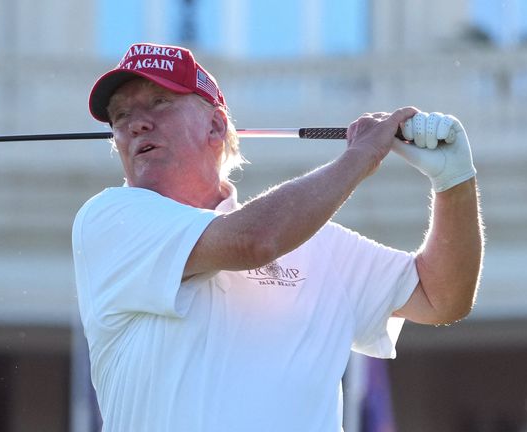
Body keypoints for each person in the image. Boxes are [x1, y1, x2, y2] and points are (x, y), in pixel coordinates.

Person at [71, 42, 483, 431]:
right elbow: (255, 240)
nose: (137, 123)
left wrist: (453, 182)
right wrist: (362, 154)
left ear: (215, 125)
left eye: (160, 103)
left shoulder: (319, 243)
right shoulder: (110, 219)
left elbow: (441, 297)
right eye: (121, 115)